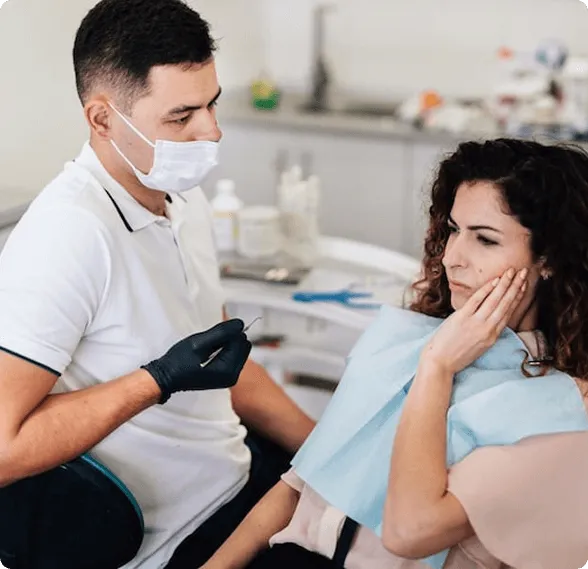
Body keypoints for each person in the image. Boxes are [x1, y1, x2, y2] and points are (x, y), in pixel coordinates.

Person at [0, 1, 315, 568]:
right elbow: (3, 450)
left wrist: (325, 450)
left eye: (213, 104)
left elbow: (227, 365)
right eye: (182, 116)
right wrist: (158, 380)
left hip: (234, 477)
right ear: (102, 119)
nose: (212, 130)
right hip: (165, 538)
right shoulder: (67, 234)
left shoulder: (182, 200)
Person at [201, 138, 588, 569]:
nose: (451, 258)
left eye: (485, 240)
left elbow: (410, 533)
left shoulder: (559, 409)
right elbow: (300, 485)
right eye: (455, 230)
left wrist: (436, 369)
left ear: (550, 257)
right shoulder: (402, 341)